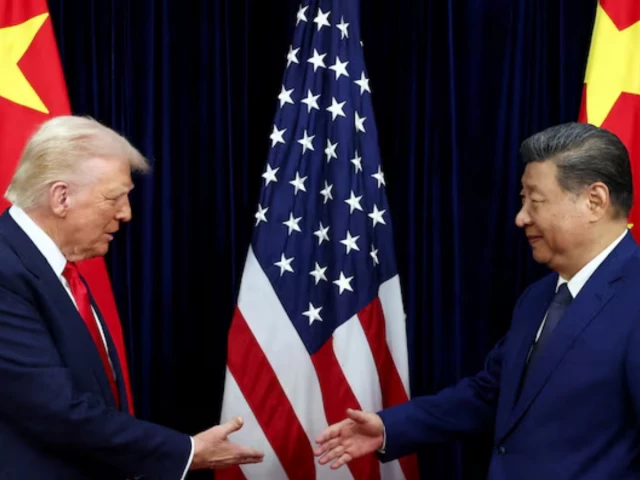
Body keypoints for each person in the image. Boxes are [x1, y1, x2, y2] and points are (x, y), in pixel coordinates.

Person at [314, 122, 640, 479]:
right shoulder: (538, 297)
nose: (521, 217)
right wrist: (389, 428)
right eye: (522, 200)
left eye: (535, 201)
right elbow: (490, 394)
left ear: (595, 201)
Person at [0, 115, 264, 479]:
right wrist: (186, 452)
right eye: (114, 198)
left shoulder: (51, 268)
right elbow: (56, 410)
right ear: (61, 197)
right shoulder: (6, 270)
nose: (126, 213)